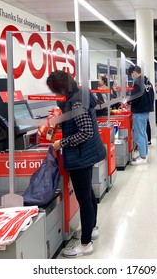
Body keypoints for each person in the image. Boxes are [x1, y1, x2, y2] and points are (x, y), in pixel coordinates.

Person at [46, 70, 106, 257]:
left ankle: (85, 243)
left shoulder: (77, 102)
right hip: (86, 153)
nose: (56, 95)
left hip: (81, 155)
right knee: (87, 193)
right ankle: (91, 227)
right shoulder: (80, 95)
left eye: (56, 91)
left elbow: (85, 131)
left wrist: (61, 143)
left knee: (84, 198)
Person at [128, 65, 154, 165]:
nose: (132, 76)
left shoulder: (138, 83)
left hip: (139, 111)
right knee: (144, 133)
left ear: (135, 72)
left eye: (131, 74)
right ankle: (145, 154)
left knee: (139, 135)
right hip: (146, 111)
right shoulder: (147, 82)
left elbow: (134, 98)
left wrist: (128, 102)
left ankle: (143, 157)